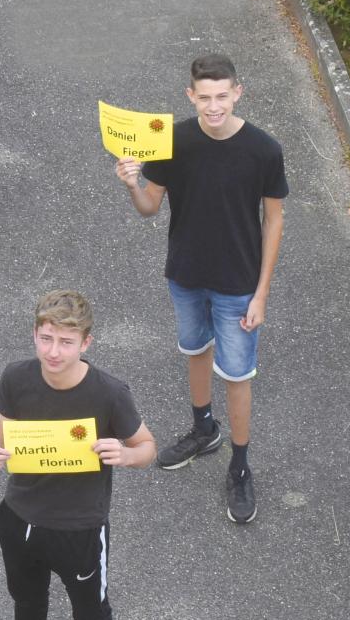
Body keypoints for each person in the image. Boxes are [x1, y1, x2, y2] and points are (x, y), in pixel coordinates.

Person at [0, 290, 156, 620]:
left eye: (66, 342)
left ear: (87, 343)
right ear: (35, 335)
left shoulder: (110, 393)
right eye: (46, 338)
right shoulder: (17, 377)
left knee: (90, 614)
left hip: (79, 528)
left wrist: (127, 455)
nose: (53, 351)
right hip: (19, 516)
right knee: (26, 595)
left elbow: (147, 448)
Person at [114, 53, 287, 525]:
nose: (214, 106)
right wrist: (132, 183)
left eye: (222, 96)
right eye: (204, 97)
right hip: (186, 272)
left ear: (238, 93)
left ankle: (240, 465)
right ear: (191, 95)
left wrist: (261, 294)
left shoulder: (264, 150)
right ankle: (202, 429)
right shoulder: (171, 141)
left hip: (238, 284)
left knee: (237, 375)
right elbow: (150, 206)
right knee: (195, 349)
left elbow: (273, 222)